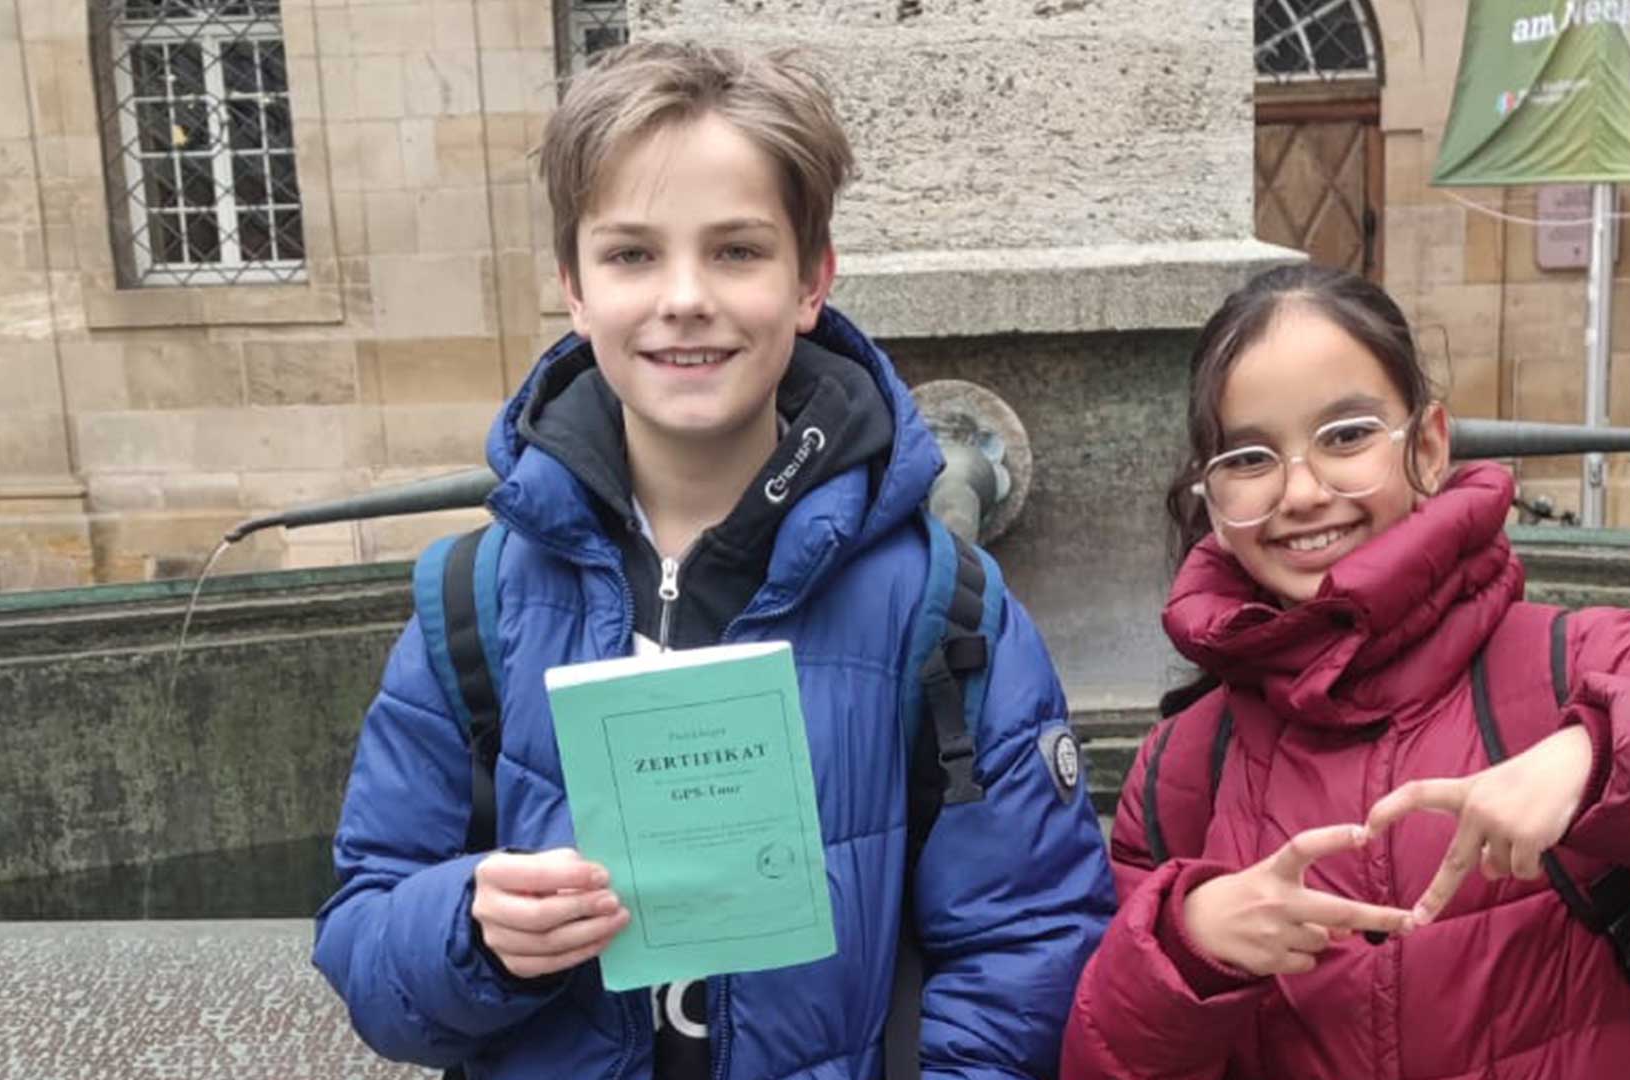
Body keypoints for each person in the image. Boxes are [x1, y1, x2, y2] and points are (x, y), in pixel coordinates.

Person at [312, 41, 1113, 1080]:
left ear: (811, 280)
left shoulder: (940, 603)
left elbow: (1031, 948)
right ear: (574, 288)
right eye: (632, 255)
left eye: (736, 251)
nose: (684, 297)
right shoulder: (472, 603)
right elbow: (367, 943)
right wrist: (471, 933)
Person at [1060, 263, 1630, 1080]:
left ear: (1428, 446)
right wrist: (1184, 952)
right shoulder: (1182, 768)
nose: (1303, 491)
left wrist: (1613, 762)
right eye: (1250, 457)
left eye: (1347, 436)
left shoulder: (1593, 669)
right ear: (1212, 497)